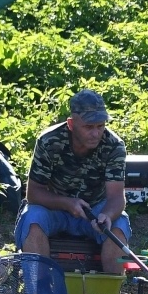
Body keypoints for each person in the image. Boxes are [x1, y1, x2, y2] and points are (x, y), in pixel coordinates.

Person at [15, 89, 130, 275]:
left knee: (119, 227)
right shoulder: (49, 141)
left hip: (95, 211)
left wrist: (107, 215)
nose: (96, 133)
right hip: (54, 209)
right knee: (32, 220)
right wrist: (68, 203)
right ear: (71, 124)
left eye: (100, 126)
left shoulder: (114, 145)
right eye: (88, 127)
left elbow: (117, 197)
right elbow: (33, 193)